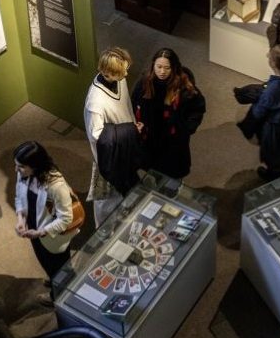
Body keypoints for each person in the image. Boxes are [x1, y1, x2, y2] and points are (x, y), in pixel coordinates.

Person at [13, 141, 75, 306]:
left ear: (35, 165)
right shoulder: (23, 174)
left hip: (51, 234)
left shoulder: (57, 186)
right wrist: (21, 218)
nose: (16, 170)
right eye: (16, 165)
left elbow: (66, 219)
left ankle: (58, 296)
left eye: (20, 166)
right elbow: (19, 196)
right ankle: (54, 279)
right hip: (35, 228)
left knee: (60, 267)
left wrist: (41, 232)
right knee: (45, 261)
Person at [84, 47, 140, 226]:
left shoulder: (120, 79)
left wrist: (132, 127)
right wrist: (129, 130)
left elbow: (126, 105)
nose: (126, 73)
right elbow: (97, 135)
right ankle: (103, 229)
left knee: (128, 183)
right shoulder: (95, 102)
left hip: (126, 142)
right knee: (106, 197)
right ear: (108, 73)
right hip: (110, 154)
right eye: (123, 71)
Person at [131, 48, 206, 180]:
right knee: (152, 172)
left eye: (167, 68)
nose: (162, 72)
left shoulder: (184, 88)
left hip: (172, 142)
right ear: (153, 65)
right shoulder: (144, 83)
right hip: (150, 138)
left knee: (172, 177)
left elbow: (197, 109)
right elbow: (133, 103)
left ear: (174, 68)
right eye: (159, 67)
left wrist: (186, 129)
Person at [238, 44, 280, 181]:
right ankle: (279, 169)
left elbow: (258, 113)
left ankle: (273, 174)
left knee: (272, 152)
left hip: (275, 127)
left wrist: (247, 128)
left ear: (273, 63)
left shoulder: (272, 90)